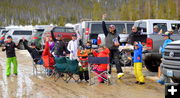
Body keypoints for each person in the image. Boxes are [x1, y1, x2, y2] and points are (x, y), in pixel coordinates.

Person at [102, 14, 124, 79]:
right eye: (110, 28)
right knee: (109, 62)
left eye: (112, 28)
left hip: (115, 49)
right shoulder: (107, 33)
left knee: (117, 60)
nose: (110, 29)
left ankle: (119, 73)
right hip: (108, 49)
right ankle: (108, 73)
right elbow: (103, 27)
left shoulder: (117, 35)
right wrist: (103, 19)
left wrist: (118, 43)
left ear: (114, 29)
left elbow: (119, 42)